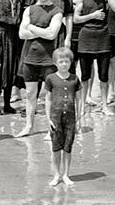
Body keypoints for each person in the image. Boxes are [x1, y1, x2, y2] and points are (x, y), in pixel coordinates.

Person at [16, 0, 65, 137]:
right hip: (30, 57)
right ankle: (29, 126)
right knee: (30, 94)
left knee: (48, 95)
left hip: (49, 59)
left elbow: (51, 35)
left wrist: (30, 27)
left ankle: (51, 129)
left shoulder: (57, 10)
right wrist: (39, 30)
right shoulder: (29, 9)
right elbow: (21, 34)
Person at [43, 47, 80, 187]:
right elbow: (47, 99)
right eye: (61, 61)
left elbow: (78, 98)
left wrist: (80, 119)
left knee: (68, 147)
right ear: (55, 63)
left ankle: (66, 174)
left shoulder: (75, 79)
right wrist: (48, 119)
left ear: (71, 62)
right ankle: (57, 174)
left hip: (70, 118)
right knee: (56, 148)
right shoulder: (50, 78)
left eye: (66, 61)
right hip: (55, 118)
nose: (64, 64)